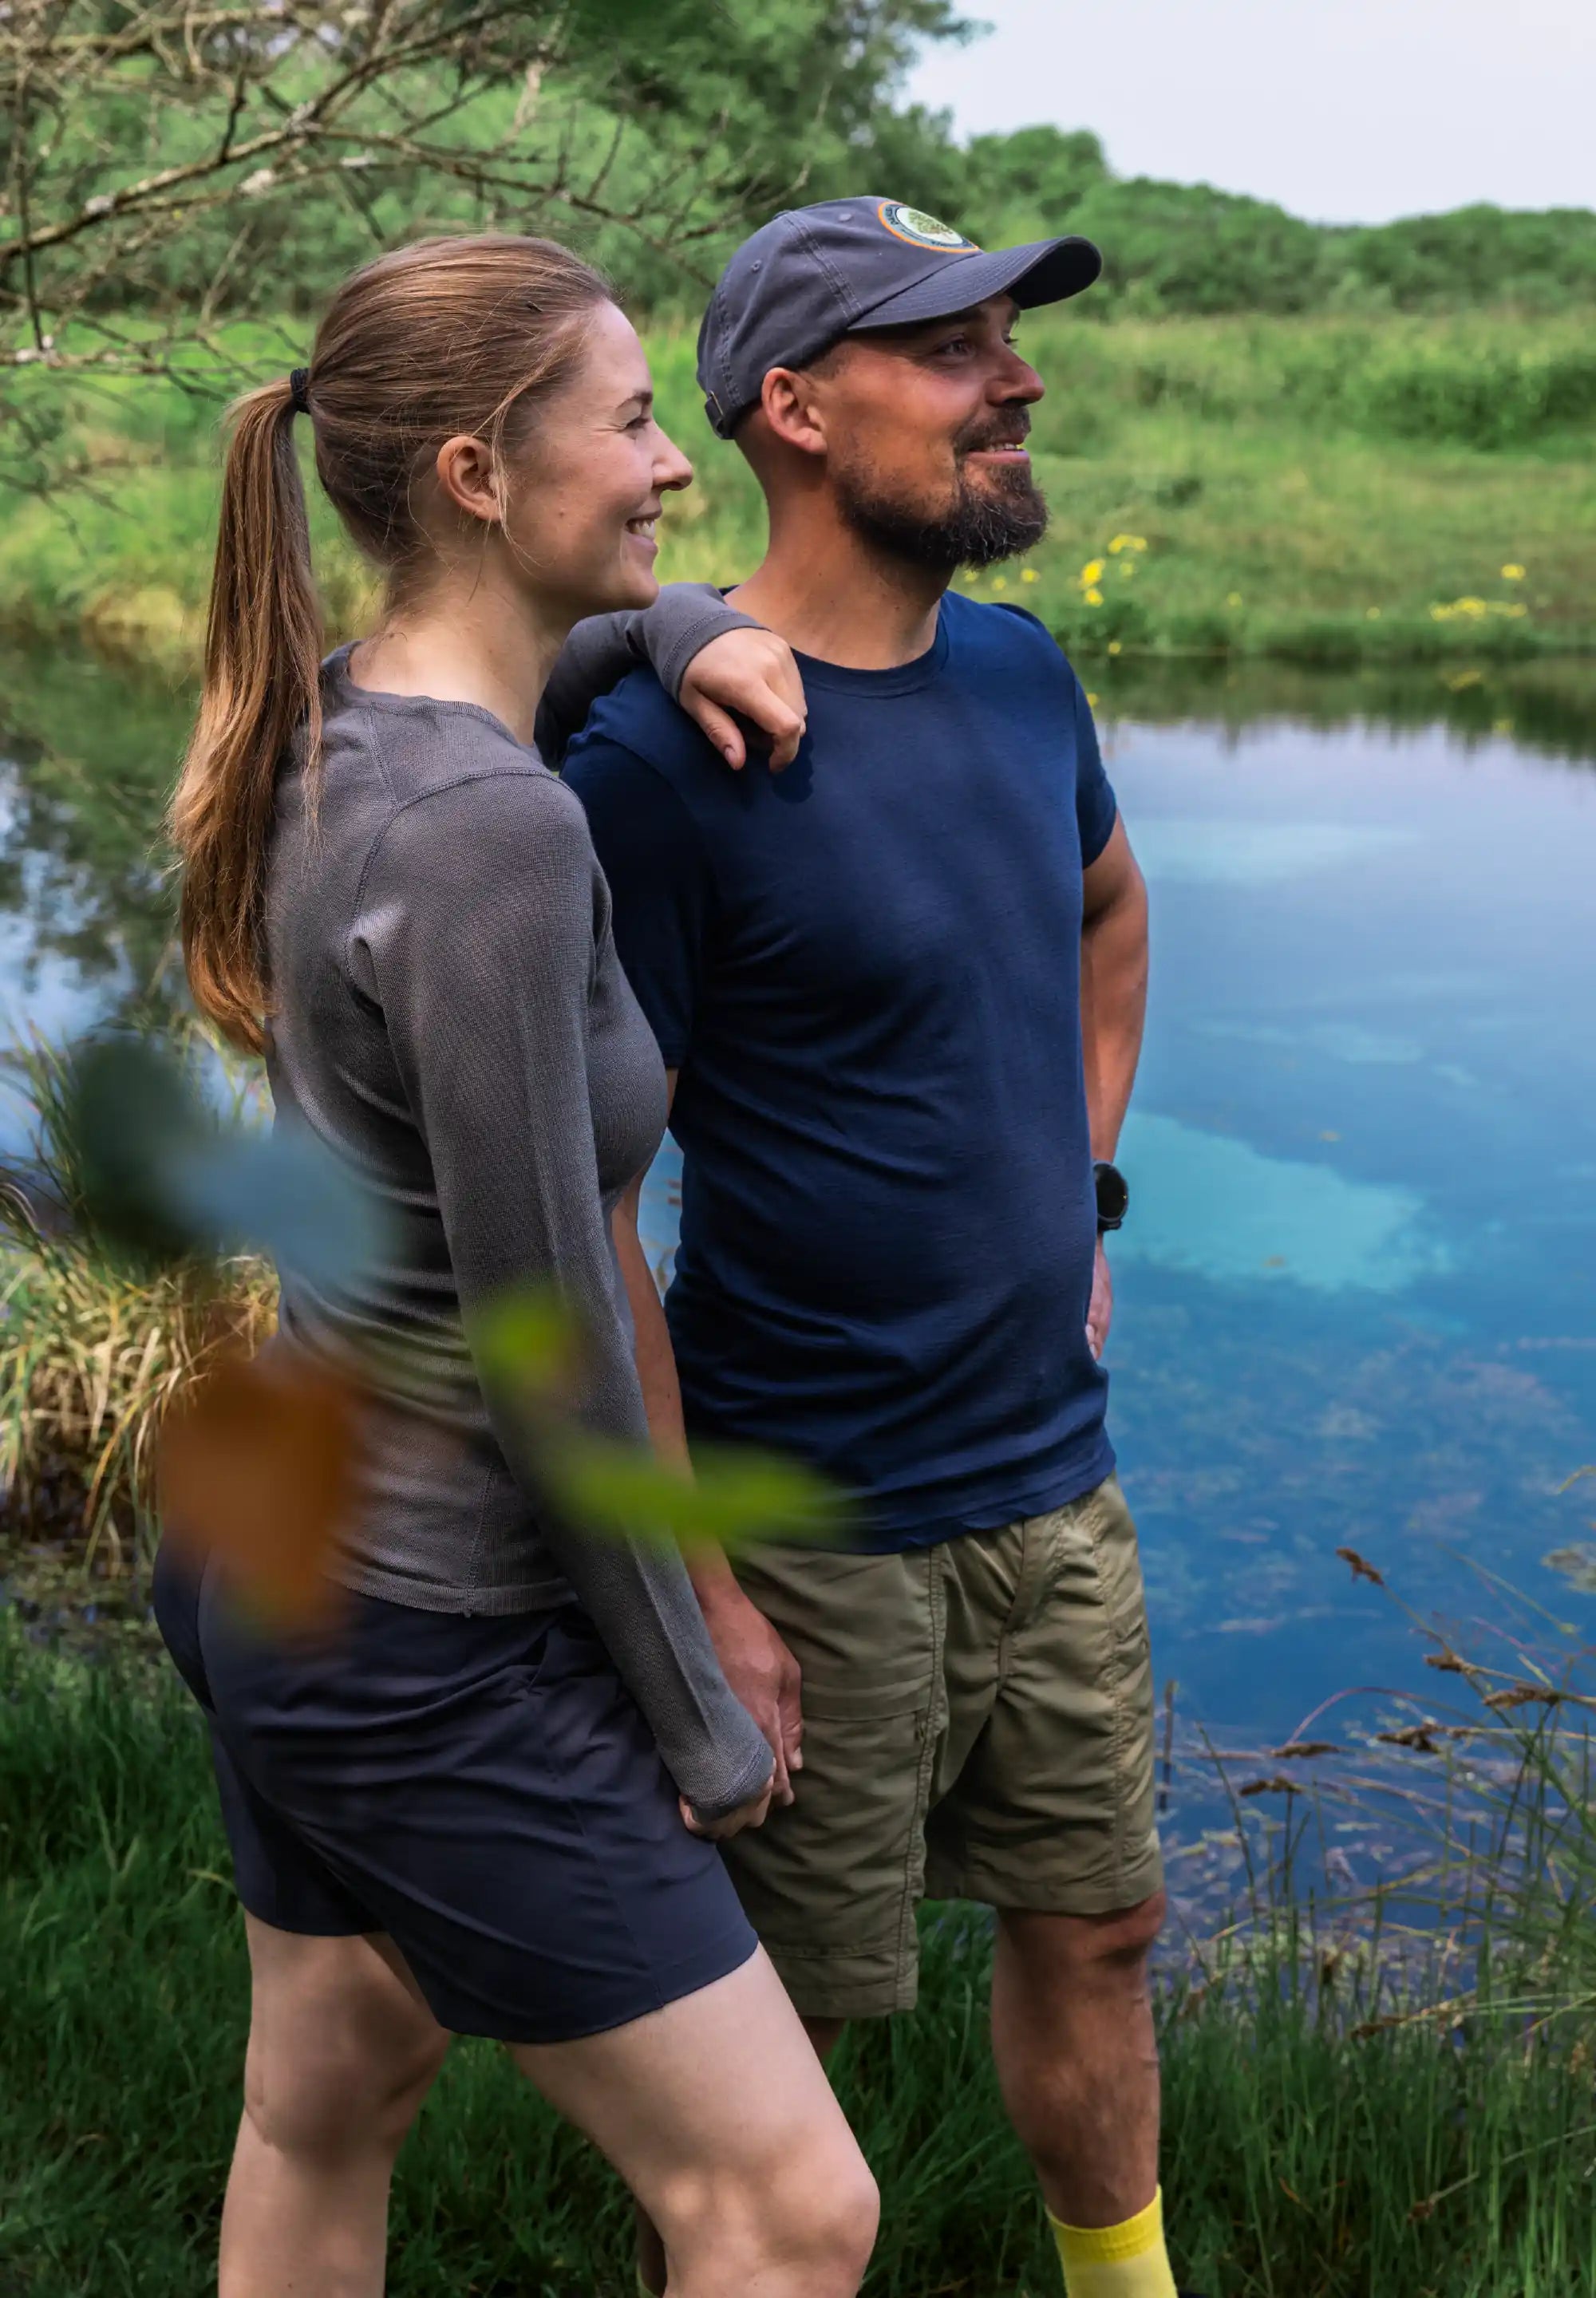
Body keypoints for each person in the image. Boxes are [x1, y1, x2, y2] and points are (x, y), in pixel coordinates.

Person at [156, 231, 875, 2298]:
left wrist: (677, 636)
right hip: (419, 1631)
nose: (674, 464)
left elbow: (550, 664)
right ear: (479, 471)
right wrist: (699, 1720)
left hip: (266, 1553)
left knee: (331, 2085)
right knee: (790, 2212)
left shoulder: (337, 722)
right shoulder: (497, 837)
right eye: (635, 421)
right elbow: (546, 1338)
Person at [561, 199, 1194, 2298]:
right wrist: (701, 1582)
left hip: (1054, 1482)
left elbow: (1109, 919)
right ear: (795, 409)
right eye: (957, 349)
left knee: (1099, 1930)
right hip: (808, 1519)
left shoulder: (1020, 674)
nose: (1018, 379)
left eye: (1009, 339)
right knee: (784, 2046)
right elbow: (582, 1210)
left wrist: (1077, 1188)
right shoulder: (668, 754)